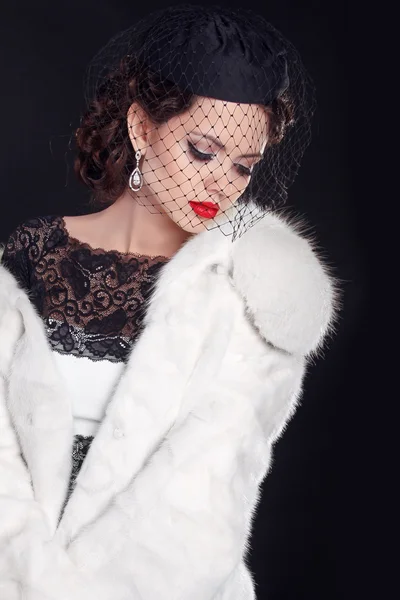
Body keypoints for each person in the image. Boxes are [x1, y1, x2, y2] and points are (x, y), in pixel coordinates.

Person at [0, 5, 338, 599]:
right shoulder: (31, 256)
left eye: (242, 166)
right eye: (202, 152)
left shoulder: (249, 295)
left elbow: (200, 509)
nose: (219, 184)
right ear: (142, 128)